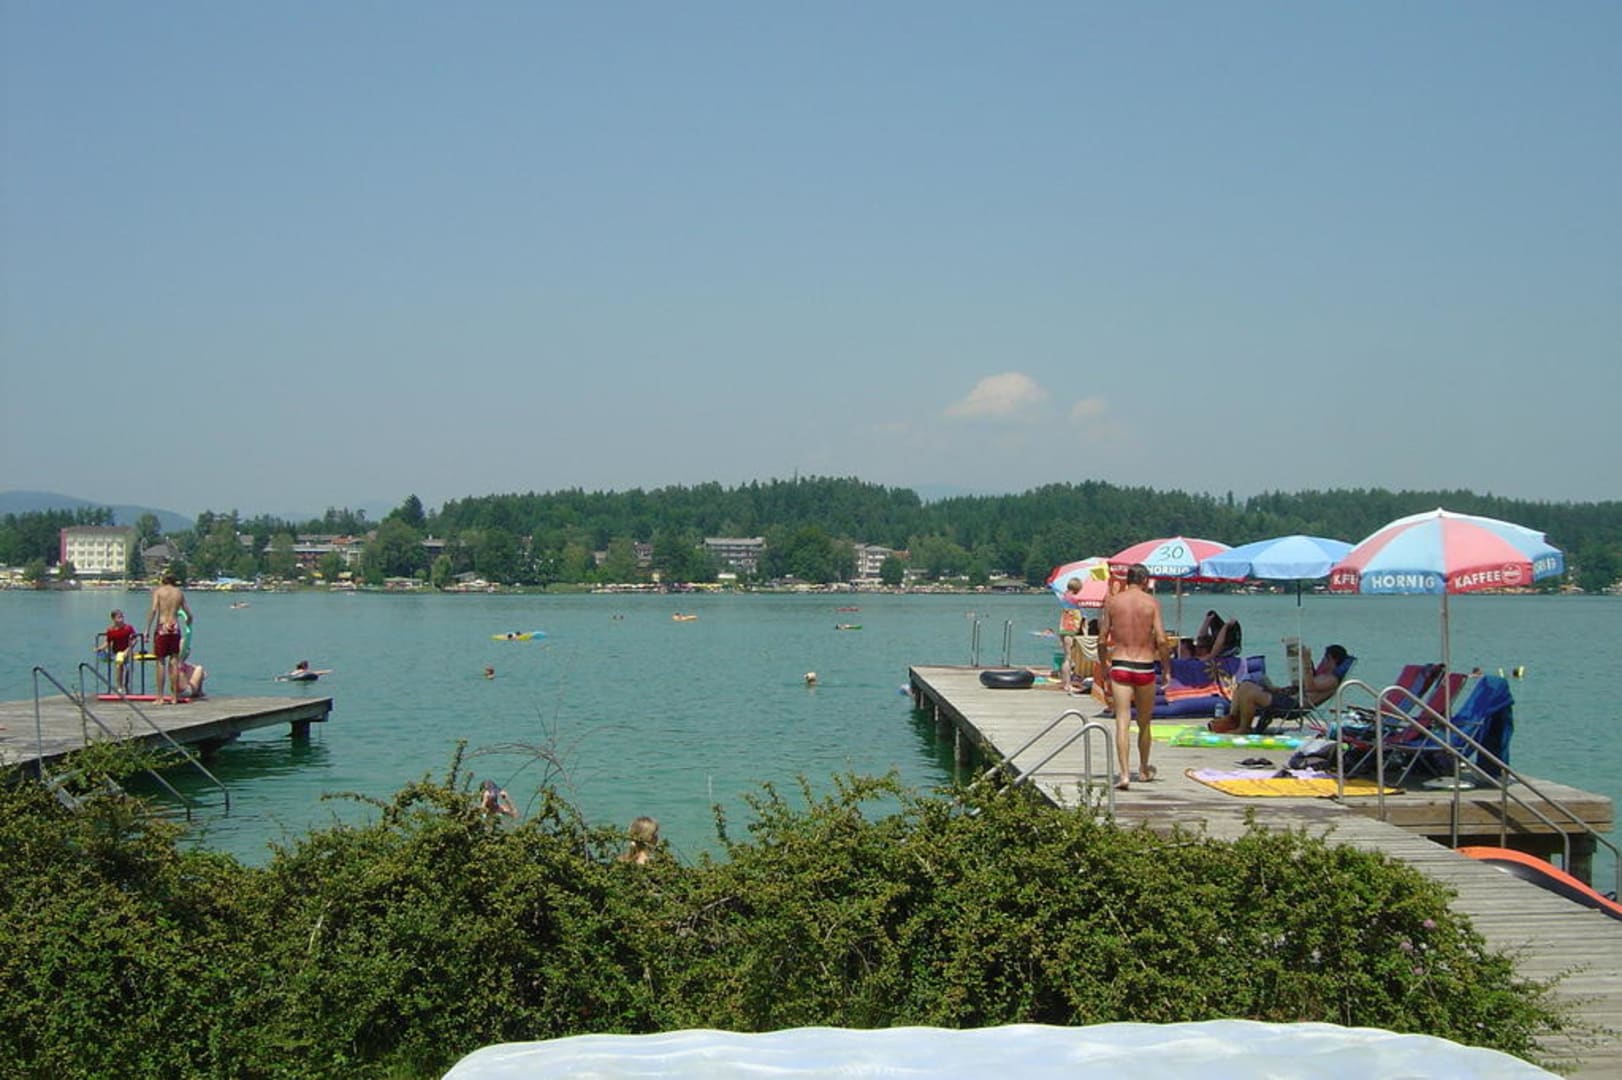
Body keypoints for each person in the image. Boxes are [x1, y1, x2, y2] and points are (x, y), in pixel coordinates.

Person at [1099, 564, 1169, 790]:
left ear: (1127, 580)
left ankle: (1124, 775)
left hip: (1120, 663)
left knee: (1122, 720)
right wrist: (1166, 668)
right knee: (1144, 721)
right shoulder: (1151, 603)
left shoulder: (1112, 602)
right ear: (1145, 581)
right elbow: (1162, 639)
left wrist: (1103, 664)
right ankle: (1144, 768)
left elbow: (1101, 639)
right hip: (1145, 665)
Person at [1224, 643, 1351, 734]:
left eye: (1325, 658)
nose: (1323, 661)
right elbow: (1305, 686)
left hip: (1293, 705)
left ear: (1332, 660)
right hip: (1290, 699)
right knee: (1244, 685)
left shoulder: (1332, 679)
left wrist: (1306, 662)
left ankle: (1244, 728)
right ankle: (1233, 719)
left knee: (1248, 690)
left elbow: (1310, 687)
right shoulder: (1324, 676)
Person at [144, 574, 193, 705]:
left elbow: (153, 610)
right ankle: (174, 697)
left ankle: (160, 697)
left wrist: (147, 629)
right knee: (174, 661)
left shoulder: (159, 591)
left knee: (160, 662)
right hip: (175, 627)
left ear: (163, 581)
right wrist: (189, 621)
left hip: (162, 627)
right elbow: (188, 613)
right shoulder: (179, 593)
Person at [1057, 579, 1090, 694]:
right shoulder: (1076, 599)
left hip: (1063, 627)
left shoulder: (1064, 597)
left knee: (1067, 656)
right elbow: (1082, 613)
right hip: (1070, 629)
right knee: (1068, 657)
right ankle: (1067, 685)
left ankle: (1065, 683)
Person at [100, 609, 139, 693]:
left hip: (128, 651)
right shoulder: (111, 630)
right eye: (119, 617)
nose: (121, 619)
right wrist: (100, 648)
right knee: (119, 667)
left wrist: (128, 650)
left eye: (122, 617)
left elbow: (135, 639)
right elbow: (107, 642)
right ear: (113, 619)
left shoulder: (128, 628)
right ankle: (119, 687)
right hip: (116, 652)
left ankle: (126, 685)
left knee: (129, 669)